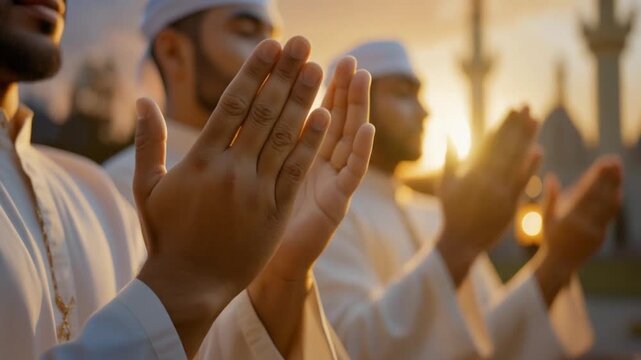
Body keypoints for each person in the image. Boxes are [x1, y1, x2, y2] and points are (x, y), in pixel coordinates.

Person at [0, 0, 374, 358]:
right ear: (174, 52)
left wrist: (282, 277)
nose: (273, 53)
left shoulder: (93, 196)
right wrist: (184, 285)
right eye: (246, 31)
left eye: (273, 34)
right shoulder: (120, 187)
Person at [315, 40, 623, 359]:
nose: (424, 111)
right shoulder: (324, 215)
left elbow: (487, 339)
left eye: (419, 94)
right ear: (349, 105)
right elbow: (343, 347)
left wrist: (558, 258)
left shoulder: (437, 215)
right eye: (402, 94)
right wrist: (456, 244)